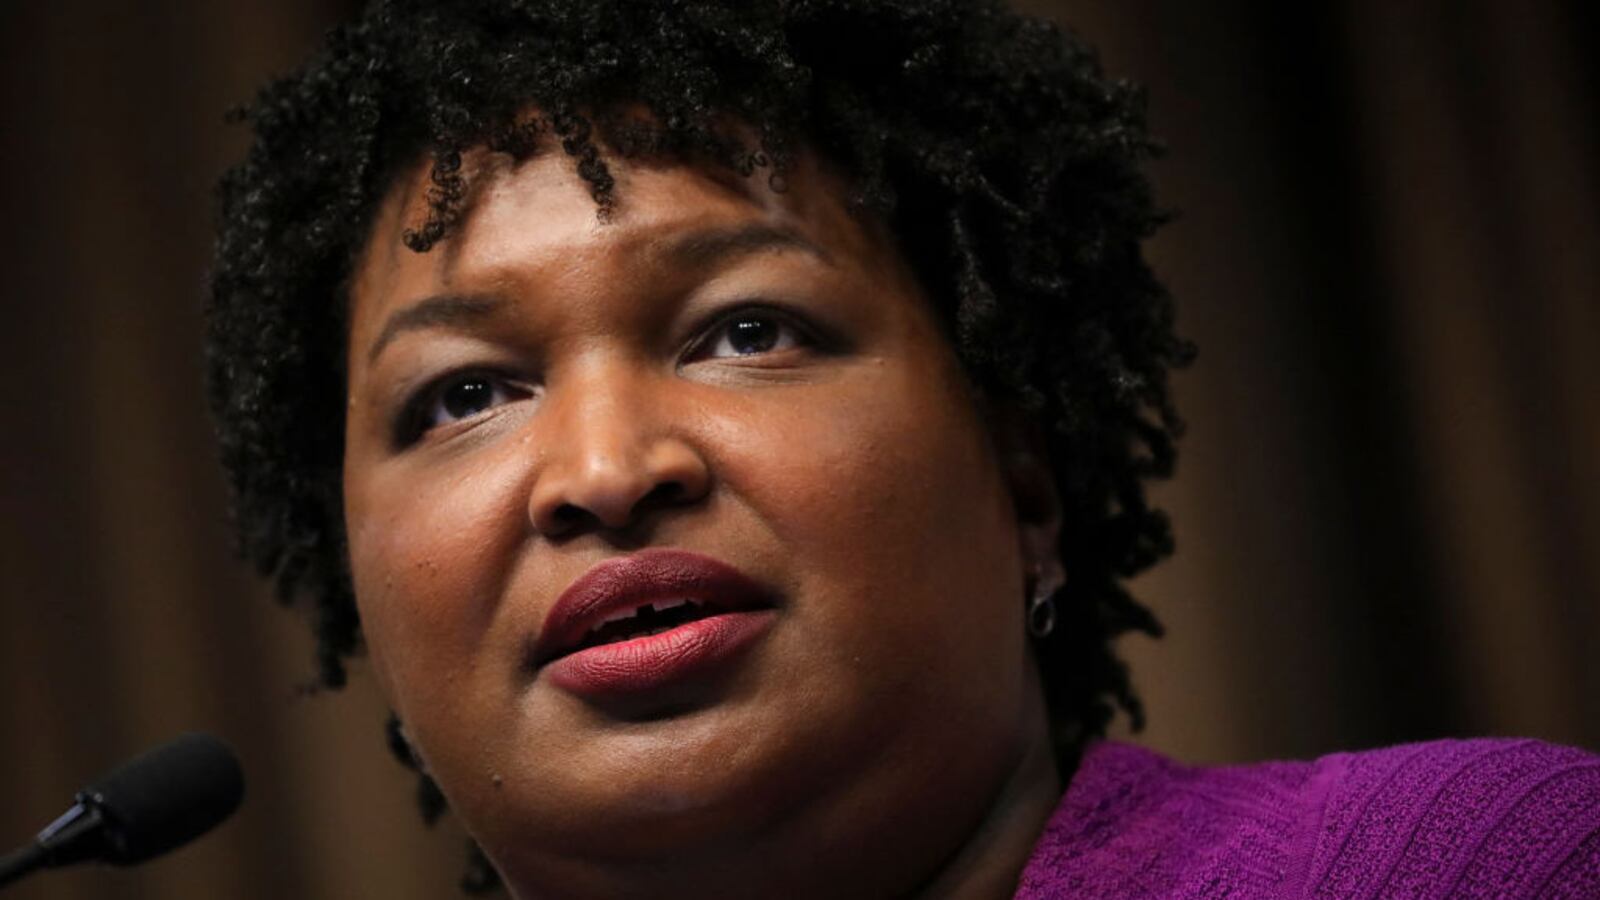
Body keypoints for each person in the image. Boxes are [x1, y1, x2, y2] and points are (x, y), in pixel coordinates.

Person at [205, 1, 1600, 896]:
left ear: (1025, 486)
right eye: (459, 398)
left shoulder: (1474, 865)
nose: (606, 468)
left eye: (745, 328)